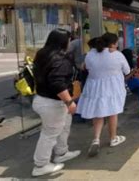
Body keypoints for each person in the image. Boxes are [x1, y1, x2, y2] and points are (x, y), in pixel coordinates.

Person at [32, 29, 80, 177]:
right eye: (68, 40)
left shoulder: (43, 54)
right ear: (63, 42)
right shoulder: (60, 58)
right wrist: (69, 101)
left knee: (64, 125)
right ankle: (41, 165)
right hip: (53, 103)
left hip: (43, 99)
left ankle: (61, 152)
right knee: (49, 133)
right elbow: (57, 82)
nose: (69, 42)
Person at [76, 33, 130, 157]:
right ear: (113, 43)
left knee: (98, 113)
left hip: (94, 88)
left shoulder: (91, 54)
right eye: (116, 43)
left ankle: (96, 139)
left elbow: (87, 68)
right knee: (112, 112)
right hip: (112, 87)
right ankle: (113, 138)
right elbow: (127, 70)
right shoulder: (117, 55)